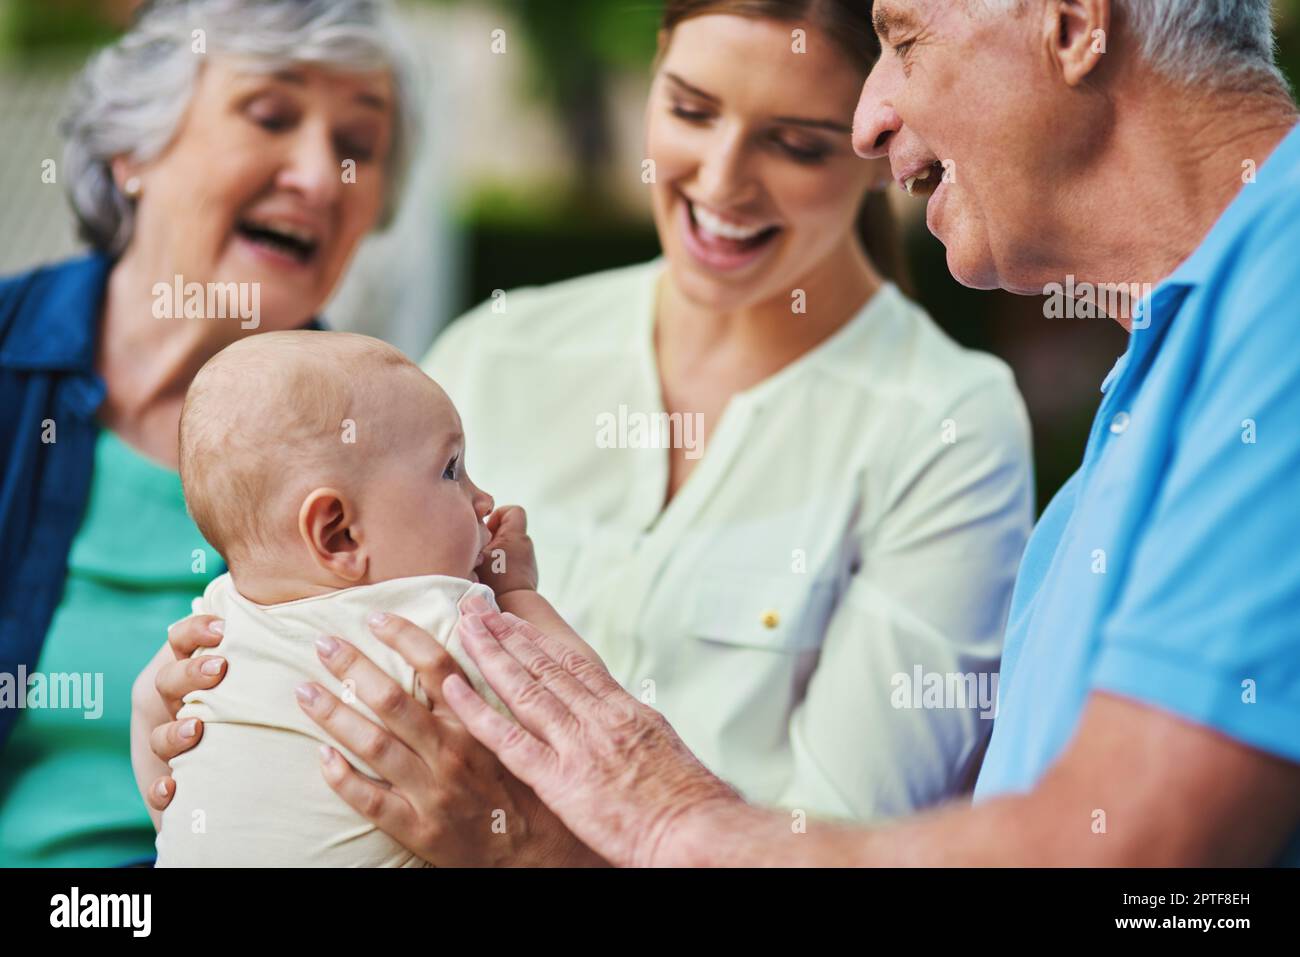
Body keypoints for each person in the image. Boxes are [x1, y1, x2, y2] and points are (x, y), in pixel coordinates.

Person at [143, 0, 1036, 865]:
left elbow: (838, 837)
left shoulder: (948, 423)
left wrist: (537, 849)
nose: (722, 179)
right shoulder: (495, 346)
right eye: (691, 109)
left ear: (876, 135)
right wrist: (209, 728)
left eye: (795, 143)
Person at [411, 0, 1300, 865]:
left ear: (1072, 24)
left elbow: (1141, 850)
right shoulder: (1169, 380)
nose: (870, 122)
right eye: (689, 107)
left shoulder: (1282, 287)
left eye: (903, 40)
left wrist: (663, 823)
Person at [0, 0, 414, 866]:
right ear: (133, 152)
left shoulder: (400, 450)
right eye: (269, 115)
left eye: (357, 146)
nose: (319, 173)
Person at [149, 332, 595, 866]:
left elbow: (170, 784)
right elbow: (590, 721)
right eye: (451, 469)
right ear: (339, 534)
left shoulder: (218, 615)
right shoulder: (433, 618)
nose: (483, 499)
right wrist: (518, 593)